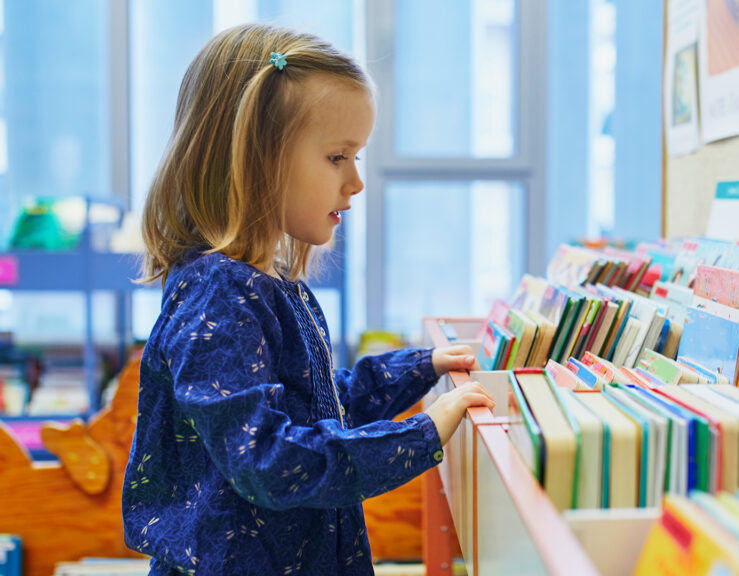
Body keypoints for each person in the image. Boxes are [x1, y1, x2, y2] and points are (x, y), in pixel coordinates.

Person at [123, 23, 495, 575]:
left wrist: (419, 368)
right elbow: (269, 457)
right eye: (337, 156)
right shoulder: (218, 296)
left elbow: (314, 404)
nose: (355, 183)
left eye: (357, 158)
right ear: (256, 158)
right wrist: (421, 433)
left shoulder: (258, 282)